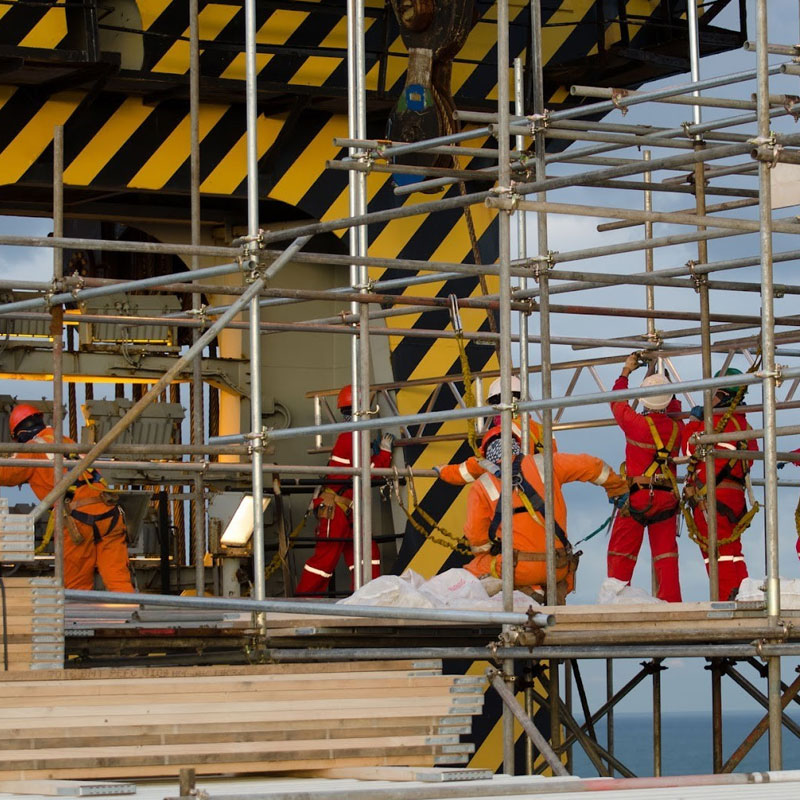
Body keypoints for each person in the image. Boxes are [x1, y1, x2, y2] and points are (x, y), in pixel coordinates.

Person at [462, 424, 627, 604]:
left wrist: (490, 549)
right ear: (516, 444)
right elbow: (592, 466)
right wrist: (616, 487)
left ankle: (529, 590)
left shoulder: (481, 485)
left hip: (518, 568)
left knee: (473, 569)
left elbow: (477, 538)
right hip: (558, 566)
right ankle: (541, 590)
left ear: (486, 453)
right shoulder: (547, 463)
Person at [0, 403, 133, 592]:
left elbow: (6, 474)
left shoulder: (32, 449)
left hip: (79, 519)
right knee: (118, 580)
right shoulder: (67, 442)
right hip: (110, 514)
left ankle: (78, 622)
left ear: (19, 433)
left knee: (76, 587)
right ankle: (132, 618)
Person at [295, 385, 395, 596]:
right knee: (325, 560)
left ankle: (366, 598)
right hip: (338, 510)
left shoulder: (350, 436)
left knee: (367, 555)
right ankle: (305, 600)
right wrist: (384, 454)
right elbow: (369, 471)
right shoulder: (353, 437)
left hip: (345, 509)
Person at [606, 354, 684, 602]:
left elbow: (617, 402)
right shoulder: (677, 428)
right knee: (666, 556)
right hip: (666, 499)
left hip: (638, 498)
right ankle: (671, 604)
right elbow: (674, 408)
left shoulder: (636, 425)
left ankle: (617, 601)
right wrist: (665, 380)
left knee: (621, 553)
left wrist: (626, 372)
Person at [682, 368, 759, 601]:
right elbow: (751, 459)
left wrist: (692, 423)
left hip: (712, 497)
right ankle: (744, 596)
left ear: (723, 395)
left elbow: (687, 450)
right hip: (735, 499)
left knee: (716, 553)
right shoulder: (744, 426)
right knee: (733, 551)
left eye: (713, 394)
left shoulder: (712, 423)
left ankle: (726, 600)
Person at [434, 376, 556, 486]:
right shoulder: (543, 430)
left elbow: (480, 465)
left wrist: (445, 471)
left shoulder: (503, 432)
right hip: (546, 498)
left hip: (520, 495)